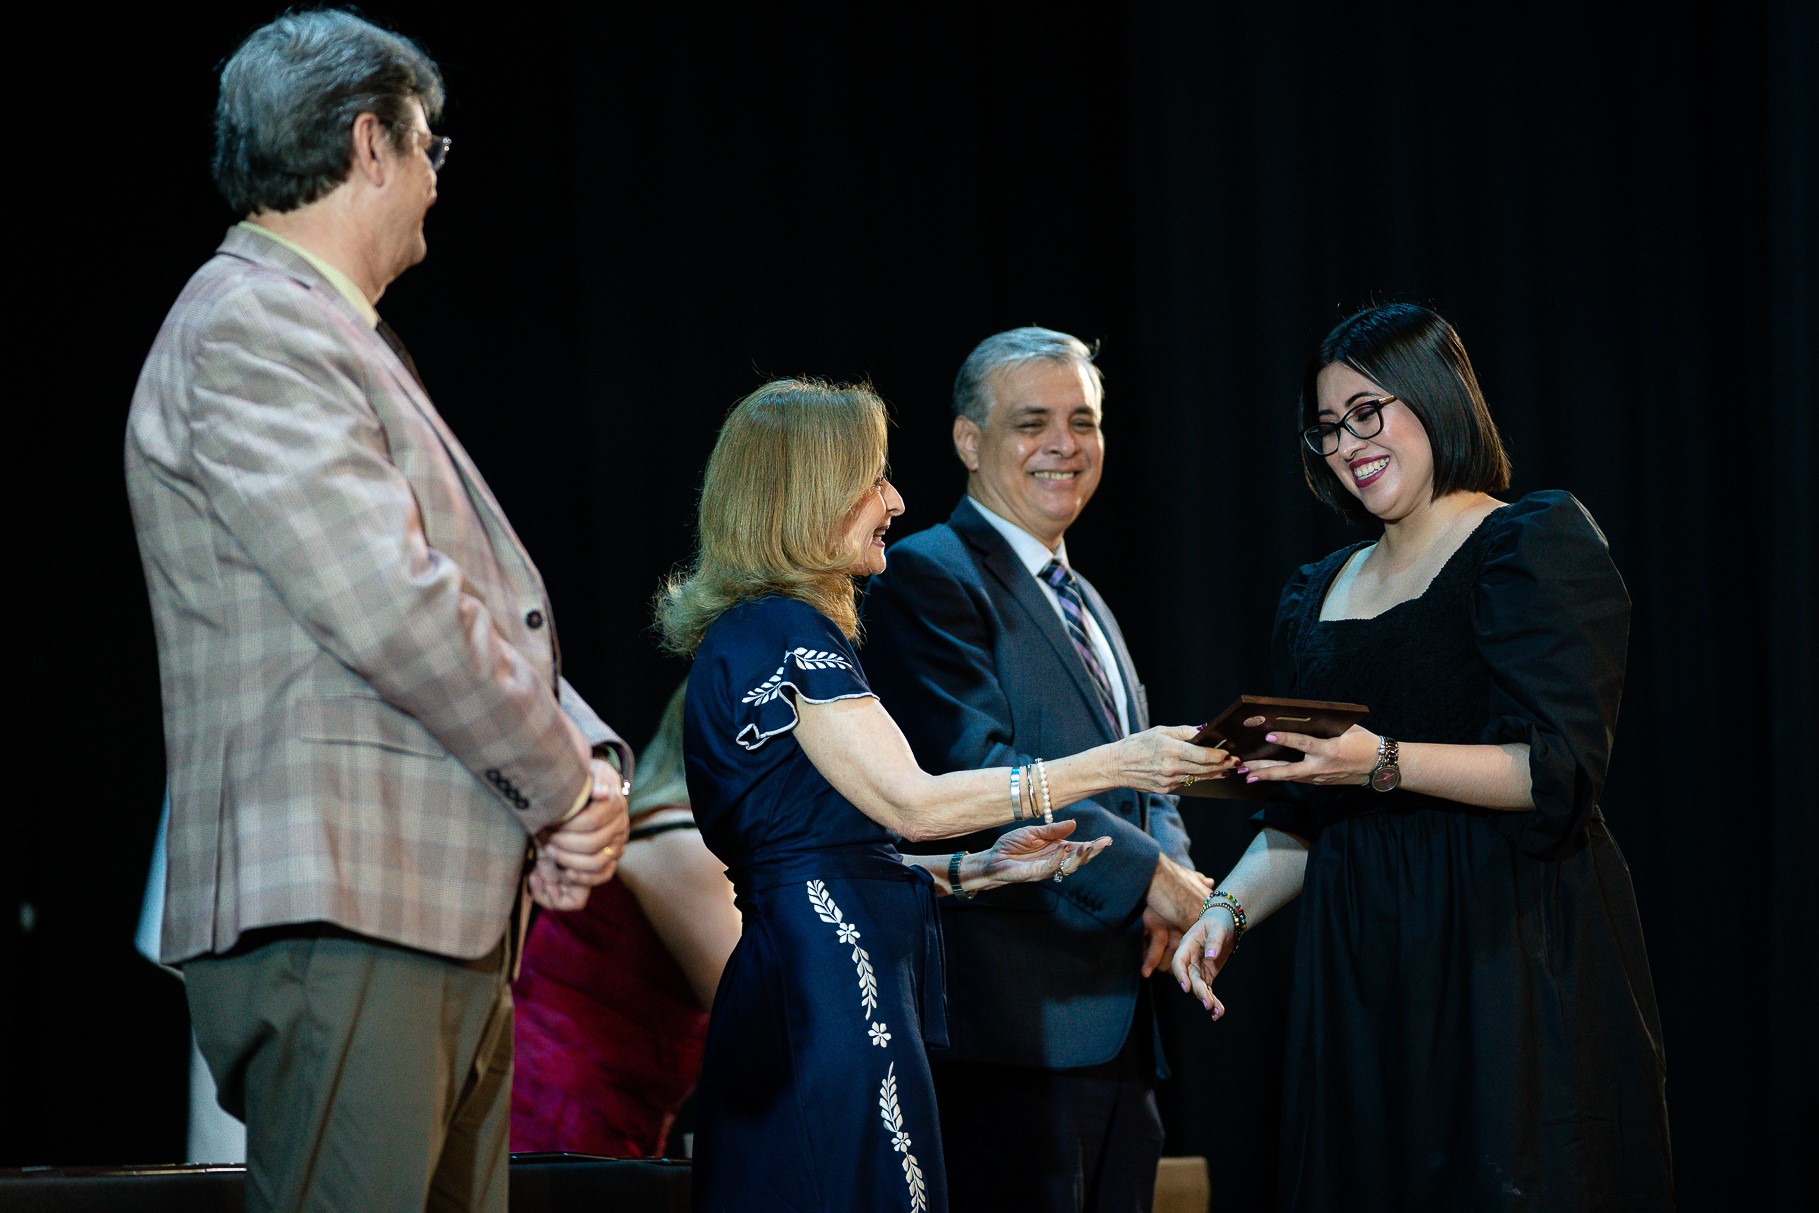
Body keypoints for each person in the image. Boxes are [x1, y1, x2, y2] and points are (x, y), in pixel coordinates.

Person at [123, 12, 630, 1211]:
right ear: (369, 144)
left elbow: (457, 598)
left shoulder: (325, 333)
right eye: (430, 152)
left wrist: (591, 768)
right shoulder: (250, 323)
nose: (436, 189)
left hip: (419, 916)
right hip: (346, 913)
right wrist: (563, 786)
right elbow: (396, 605)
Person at [656, 378, 1233, 1213]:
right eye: (872, 478)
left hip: (809, 979)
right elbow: (912, 807)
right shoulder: (788, 633)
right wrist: (1121, 761)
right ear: (809, 492)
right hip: (837, 991)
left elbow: (824, 857)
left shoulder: (754, 632)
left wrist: (975, 872)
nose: (893, 499)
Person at [1171, 303, 1674, 1211]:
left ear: (1435, 398)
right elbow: (1299, 813)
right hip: (1362, 969)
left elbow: (1553, 769)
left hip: (1503, 955)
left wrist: (1383, 762)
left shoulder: (1529, 542)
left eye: (1369, 411)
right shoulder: (1313, 591)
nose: (1347, 442)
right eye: (1327, 427)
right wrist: (1225, 912)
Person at [860, 326, 1211, 1213]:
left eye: (1081, 420)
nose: (1064, 444)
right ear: (969, 441)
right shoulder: (927, 574)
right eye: (1032, 422)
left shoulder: (1085, 595)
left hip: (1121, 1022)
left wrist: (1168, 879)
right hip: (1012, 1035)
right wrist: (1148, 878)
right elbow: (968, 775)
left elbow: (1142, 775)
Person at [510, 680, 741, 1158]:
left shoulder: (672, 828)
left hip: (598, 1110)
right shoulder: (680, 843)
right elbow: (758, 1012)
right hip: (562, 1114)